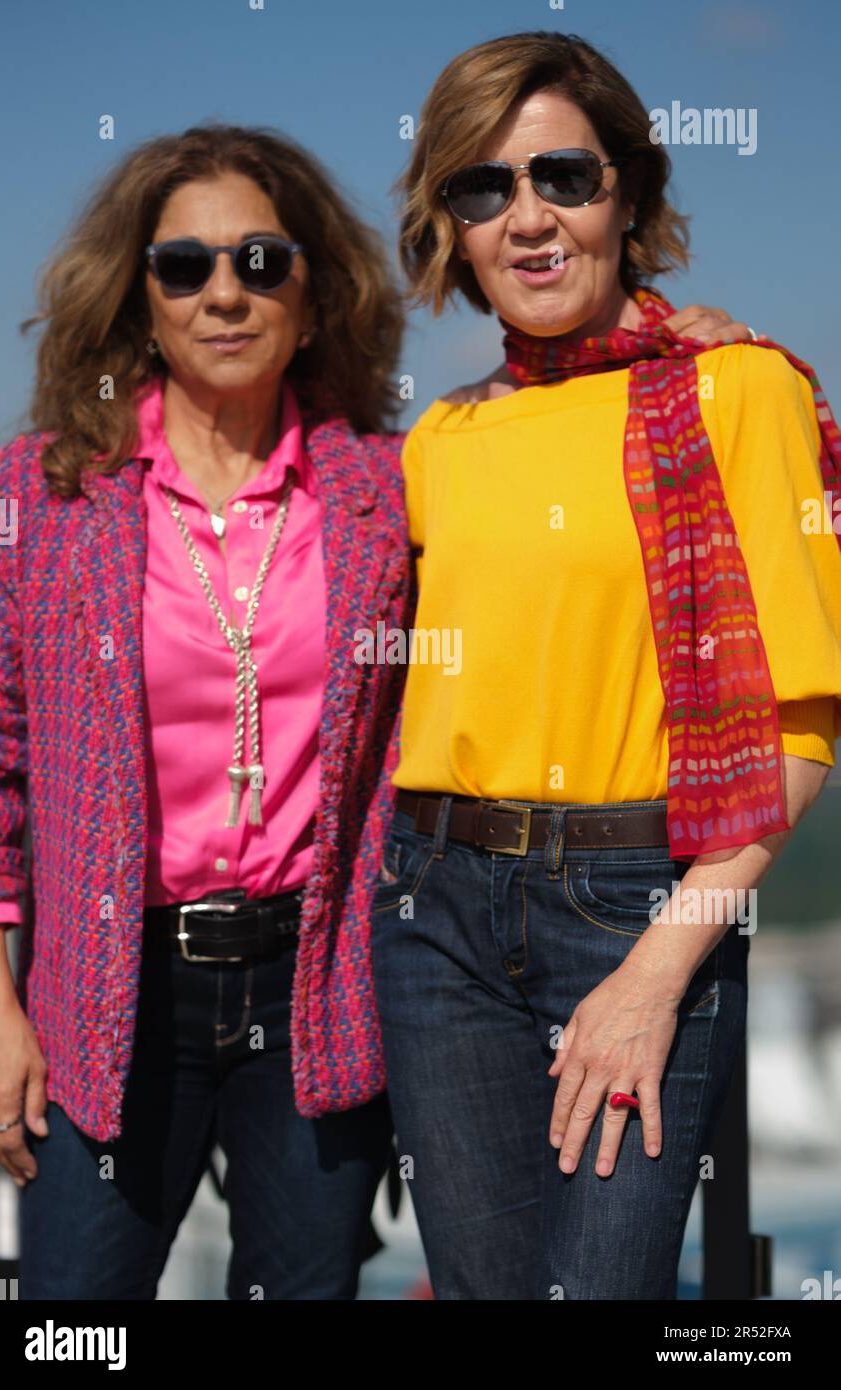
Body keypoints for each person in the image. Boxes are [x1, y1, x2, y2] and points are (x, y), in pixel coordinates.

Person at [372, 31, 841, 1299]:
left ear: (626, 193)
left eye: (562, 177)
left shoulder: (737, 393)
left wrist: (652, 971)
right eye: (482, 188)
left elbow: (799, 726)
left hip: (638, 909)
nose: (525, 219)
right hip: (434, 909)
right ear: (452, 227)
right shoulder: (438, 441)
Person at [0, 123, 411, 1300]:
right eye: (185, 266)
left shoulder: (386, 486)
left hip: (315, 982)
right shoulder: (45, 491)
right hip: (107, 989)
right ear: (143, 296)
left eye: (262, 262)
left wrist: (675, 336)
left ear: (314, 299)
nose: (225, 292)